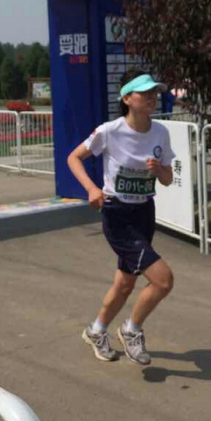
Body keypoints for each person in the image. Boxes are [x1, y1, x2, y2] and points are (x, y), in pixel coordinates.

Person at [67, 71, 175, 366]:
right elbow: (73, 158)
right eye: (145, 93)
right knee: (163, 281)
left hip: (144, 212)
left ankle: (96, 331)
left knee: (125, 284)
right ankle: (131, 330)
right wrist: (91, 189)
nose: (152, 97)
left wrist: (158, 170)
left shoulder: (161, 133)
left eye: (155, 92)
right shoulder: (109, 131)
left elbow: (167, 179)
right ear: (127, 98)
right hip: (117, 215)